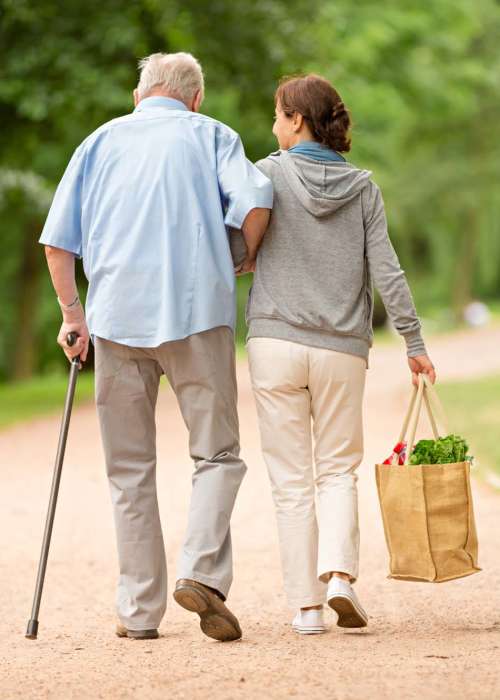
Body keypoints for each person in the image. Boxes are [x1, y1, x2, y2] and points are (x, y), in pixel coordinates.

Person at [39, 52, 273, 641]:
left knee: (128, 470)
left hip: (116, 320)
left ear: (139, 94)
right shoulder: (213, 136)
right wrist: (240, 257)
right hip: (197, 315)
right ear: (194, 97)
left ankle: (139, 613)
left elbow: (57, 244)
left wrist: (74, 315)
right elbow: (256, 202)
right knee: (217, 455)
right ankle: (199, 572)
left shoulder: (98, 142)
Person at [237, 74, 435, 635]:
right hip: (342, 350)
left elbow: (237, 244)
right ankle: (341, 577)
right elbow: (387, 273)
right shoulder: (365, 188)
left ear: (297, 121)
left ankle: (305, 608)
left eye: (278, 116)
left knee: (291, 480)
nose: (273, 127)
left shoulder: (268, 173)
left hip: (275, 342)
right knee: (337, 470)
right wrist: (413, 343)